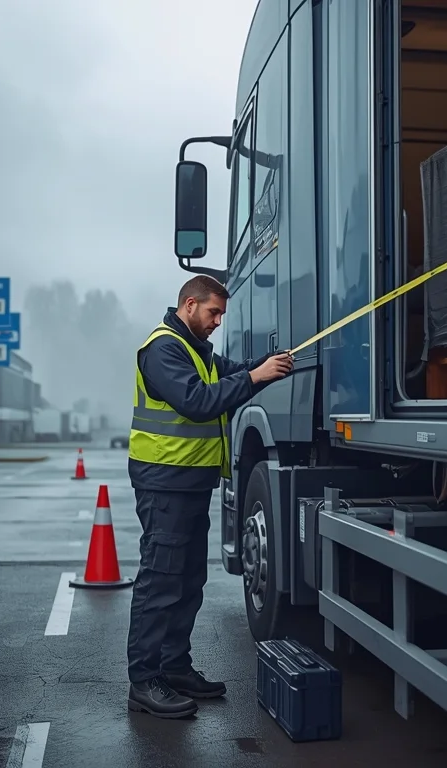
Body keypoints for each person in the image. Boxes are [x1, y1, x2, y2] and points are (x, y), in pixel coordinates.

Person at [126, 274, 293, 719]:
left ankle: (174, 668)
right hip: (164, 482)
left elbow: (232, 373)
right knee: (160, 582)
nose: (218, 321)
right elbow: (199, 402)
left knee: (186, 583)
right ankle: (144, 682)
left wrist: (267, 364)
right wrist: (257, 376)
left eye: (221, 314)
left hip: (190, 483)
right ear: (189, 305)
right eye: (213, 312)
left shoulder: (196, 350)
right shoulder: (163, 348)